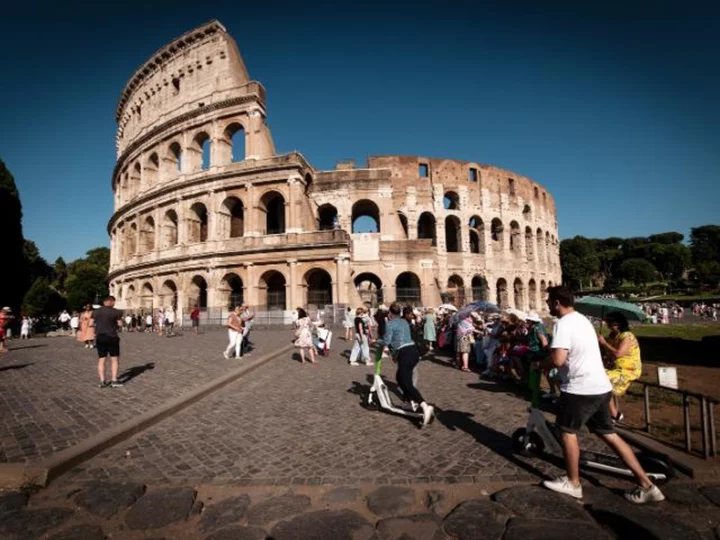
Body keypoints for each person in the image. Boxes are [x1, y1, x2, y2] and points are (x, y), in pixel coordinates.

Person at [542, 286, 664, 503]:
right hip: (601, 386)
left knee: (567, 432)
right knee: (608, 434)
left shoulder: (563, 323)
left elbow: (559, 359)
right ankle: (647, 485)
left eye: (549, 301)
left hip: (580, 388)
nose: (547, 304)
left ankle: (573, 483)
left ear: (557, 302)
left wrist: (540, 364)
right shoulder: (583, 320)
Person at [376, 302, 434, 426]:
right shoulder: (404, 322)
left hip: (405, 353)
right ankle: (409, 402)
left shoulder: (390, 324)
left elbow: (387, 340)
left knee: (406, 381)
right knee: (400, 378)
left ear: (390, 313)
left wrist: (376, 341)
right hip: (413, 351)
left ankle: (424, 405)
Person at [598, 311, 642, 423]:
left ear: (617, 324)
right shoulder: (613, 336)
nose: (607, 324)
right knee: (599, 381)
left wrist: (604, 343)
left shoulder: (627, 336)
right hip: (615, 368)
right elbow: (609, 352)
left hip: (628, 370)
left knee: (601, 380)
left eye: (609, 322)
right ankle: (613, 413)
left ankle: (614, 414)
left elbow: (618, 353)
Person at [93, 296, 124, 388]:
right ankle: (114, 380)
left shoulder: (96, 312)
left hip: (100, 337)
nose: (114, 304)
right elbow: (120, 324)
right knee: (114, 359)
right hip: (112, 337)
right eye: (114, 302)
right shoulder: (115, 312)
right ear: (111, 302)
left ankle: (102, 381)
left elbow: (91, 323)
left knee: (101, 359)